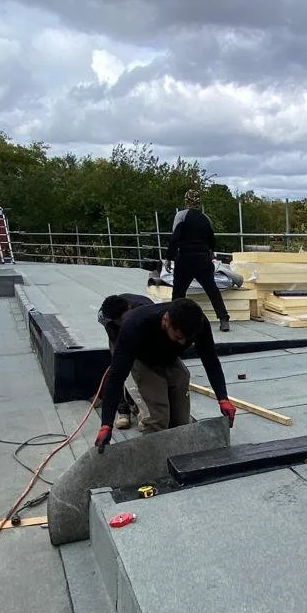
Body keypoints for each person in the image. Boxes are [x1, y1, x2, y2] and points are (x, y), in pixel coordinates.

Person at [95, 296, 236, 451]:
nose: (182, 343)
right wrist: (106, 424)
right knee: (159, 417)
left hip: (168, 357)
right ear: (166, 320)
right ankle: (152, 456)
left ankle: (177, 454)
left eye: (186, 339)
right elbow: (116, 378)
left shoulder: (199, 323)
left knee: (181, 420)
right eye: (178, 337)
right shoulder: (135, 326)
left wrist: (223, 398)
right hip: (142, 359)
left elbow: (210, 360)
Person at [165, 190, 232, 330]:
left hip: (185, 258)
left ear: (186, 201)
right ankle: (223, 318)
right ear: (198, 202)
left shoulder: (181, 216)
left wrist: (169, 258)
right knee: (212, 289)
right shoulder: (205, 218)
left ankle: (174, 319)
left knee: (178, 292)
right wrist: (210, 254)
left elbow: (175, 238)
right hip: (202, 259)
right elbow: (212, 240)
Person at [96, 291, 148, 430]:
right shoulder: (105, 317)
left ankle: (142, 409)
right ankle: (123, 410)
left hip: (142, 333)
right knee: (119, 370)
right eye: (119, 320)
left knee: (142, 369)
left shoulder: (145, 309)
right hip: (118, 334)